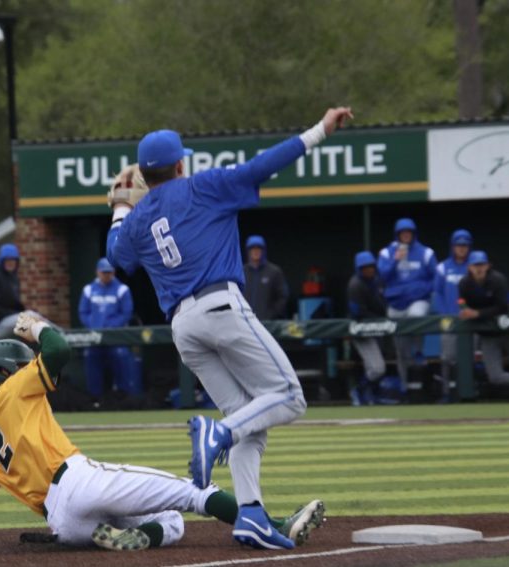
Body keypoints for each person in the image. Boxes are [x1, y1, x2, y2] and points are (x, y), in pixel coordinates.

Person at [106, 106, 352, 549]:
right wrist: (320, 130)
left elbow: (116, 256)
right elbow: (264, 165)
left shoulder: (139, 219)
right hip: (220, 306)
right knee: (290, 398)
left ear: (146, 173)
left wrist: (122, 207)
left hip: (183, 328)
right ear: (180, 164)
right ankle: (217, 433)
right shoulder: (204, 186)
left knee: (249, 419)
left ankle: (252, 515)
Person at [0, 313, 325, 553]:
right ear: (5, 373)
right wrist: (36, 325)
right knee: (194, 491)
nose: (26, 366)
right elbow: (58, 349)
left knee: (172, 521)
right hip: (79, 482)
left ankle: (135, 536)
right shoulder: (17, 386)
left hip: (63, 523)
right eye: (20, 363)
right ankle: (274, 525)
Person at [377, 218, 437, 392]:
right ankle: (404, 385)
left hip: (417, 300)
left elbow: (435, 278)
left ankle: (418, 350)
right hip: (396, 303)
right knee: (401, 350)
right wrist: (395, 260)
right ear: (397, 235)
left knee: (416, 316)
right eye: (403, 233)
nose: (406, 235)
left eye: (408, 232)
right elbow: (382, 277)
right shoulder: (387, 253)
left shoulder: (426, 253)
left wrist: (420, 290)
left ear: (413, 234)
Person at [458, 251, 509, 393]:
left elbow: (503, 306)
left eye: (482, 265)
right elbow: (462, 302)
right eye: (475, 265)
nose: (479, 268)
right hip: (488, 334)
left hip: (507, 329)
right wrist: (464, 310)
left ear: (488, 265)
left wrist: (477, 313)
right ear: (469, 267)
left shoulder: (498, 280)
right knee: (495, 376)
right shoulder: (464, 284)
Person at [78, 258, 141, 398]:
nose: (106, 275)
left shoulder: (122, 289)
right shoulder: (89, 290)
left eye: (109, 272)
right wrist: (93, 325)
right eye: (103, 272)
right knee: (90, 355)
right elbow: (83, 313)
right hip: (94, 336)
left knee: (120, 355)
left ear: (114, 272)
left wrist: (110, 327)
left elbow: (126, 313)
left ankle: (123, 396)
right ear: (97, 272)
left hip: (116, 337)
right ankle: (95, 398)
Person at [433, 229, 473, 402]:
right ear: (453, 247)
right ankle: (447, 393)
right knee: (447, 358)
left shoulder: (474, 265)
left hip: (470, 319)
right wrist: (444, 314)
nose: (462, 248)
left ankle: (469, 392)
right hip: (449, 319)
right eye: (459, 245)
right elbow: (436, 294)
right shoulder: (443, 267)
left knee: (470, 356)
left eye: (465, 245)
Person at [346, 251, 387, 405]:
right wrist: (377, 318)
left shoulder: (377, 281)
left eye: (371, 266)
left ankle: (371, 395)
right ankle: (358, 390)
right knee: (377, 368)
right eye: (365, 267)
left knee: (376, 368)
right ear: (359, 268)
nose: (369, 270)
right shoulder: (355, 285)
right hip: (361, 331)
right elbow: (358, 312)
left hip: (378, 329)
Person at [243, 235, 289, 320]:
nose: (255, 251)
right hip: (246, 321)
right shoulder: (242, 272)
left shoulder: (274, 271)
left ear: (263, 250)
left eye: (259, 248)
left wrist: (271, 316)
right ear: (248, 251)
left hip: (268, 323)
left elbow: (283, 297)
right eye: (252, 248)